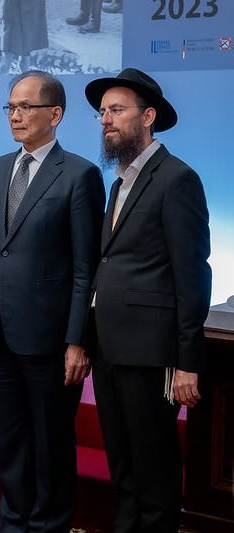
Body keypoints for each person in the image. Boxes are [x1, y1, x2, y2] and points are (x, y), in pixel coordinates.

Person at [0, 70, 105, 532]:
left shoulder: (80, 174)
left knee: (51, 441)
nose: (16, 115)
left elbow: (87, 267)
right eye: (11, 107)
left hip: (50, 337)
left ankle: (49, 524)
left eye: (26, 107)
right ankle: (14, 520)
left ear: (55, 114)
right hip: (0, 331)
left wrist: (77, 340)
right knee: (10, 438)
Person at [84, 68, 211, 532]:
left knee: (154, 469)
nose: (105, 121)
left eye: (116, 111)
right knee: (122, 463)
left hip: (151, 350)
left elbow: (193, 274)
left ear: (149, 116)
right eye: (102, 113)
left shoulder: (178, 179)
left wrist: (188, 361)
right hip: (109, 347)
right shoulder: (119, 183)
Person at [0, 0, 48, 74]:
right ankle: (0, 83)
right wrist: (1, 10)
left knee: (24, 60)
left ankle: (25, 82)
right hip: (10, 15)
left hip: (27, 17)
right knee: (7, 57)